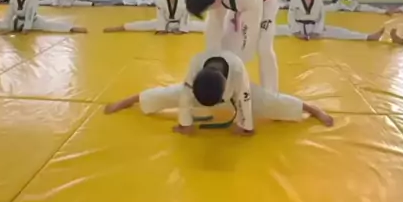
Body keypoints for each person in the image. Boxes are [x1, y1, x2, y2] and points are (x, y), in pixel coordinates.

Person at [104, 50, 334, 133]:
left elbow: (244, 98)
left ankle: (312, 109)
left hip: (236, 92)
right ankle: (126, 101)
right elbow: (185, 95)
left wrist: (245, 126)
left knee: (270, 102)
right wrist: (185, 124)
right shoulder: (196, 64)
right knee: (168, 94)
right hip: (203, 90)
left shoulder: (237, 68)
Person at [185, 0, 279, 93]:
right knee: (224, 42)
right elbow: (214, 28)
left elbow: (249, 36)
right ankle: (222, 82)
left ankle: (271, 92)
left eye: (208, 8)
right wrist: (211, 61)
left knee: (264, 47)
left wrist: (235, 68)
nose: (209, 10)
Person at [276, 0, 384, 41]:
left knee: (340, 32)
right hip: (298, 28)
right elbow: (291, 17)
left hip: (314, 28)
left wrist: (317, 31)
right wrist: (296, 32)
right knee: (274, 29)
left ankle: (368, 37)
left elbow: (321, 17)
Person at [105, 0, 205, 34]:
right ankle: (122, 27)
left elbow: (185, 16)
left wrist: (182, 30)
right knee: (143, 25)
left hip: (181, 24)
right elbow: (160, 16)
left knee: (202, 26)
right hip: (165, 23)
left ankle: (216, 31)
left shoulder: (184, 0)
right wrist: (162, 29)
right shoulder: (160, 0)